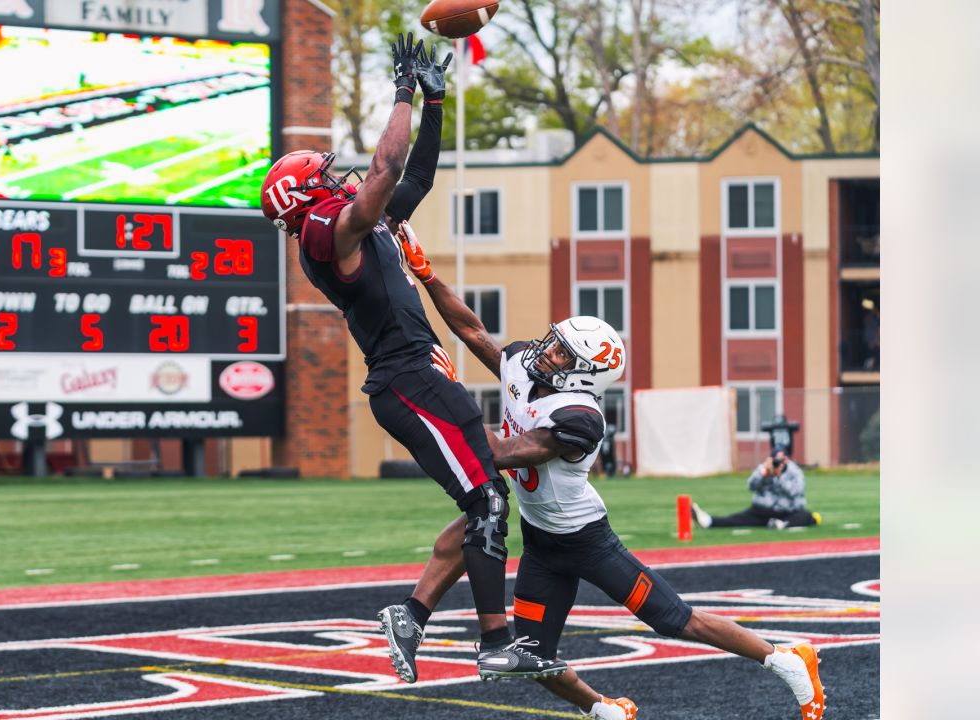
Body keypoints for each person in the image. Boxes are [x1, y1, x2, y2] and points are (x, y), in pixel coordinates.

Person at [383, 222, 826, 720]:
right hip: (543, 542)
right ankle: (605, 710)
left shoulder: (580, 418)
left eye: (559, 354)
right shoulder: (530, 373)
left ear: (584, 373)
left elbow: (500, 453)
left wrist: (444, 391)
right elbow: (472, 330)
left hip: (586, 541)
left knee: (673, 619)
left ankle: (785, 658)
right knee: (528, 657)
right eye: (553, 342)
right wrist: (425, 272)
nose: (544, 352)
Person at [259, 33, 542, 679]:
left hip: (418, 377)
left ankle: (412, 616)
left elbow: (413, 176)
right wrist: (403, 92)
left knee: (481, 502)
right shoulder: (326, 234)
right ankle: (494, 641)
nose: (341, 179)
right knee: (488, 503)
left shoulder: (362, 223)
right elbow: (385, 171)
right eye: (325, 178)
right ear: (306, 199)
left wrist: (436, 100)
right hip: (408, 380)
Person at [691, 446, 821, 530]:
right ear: (770, 459)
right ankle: (708, 521)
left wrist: (778, 477)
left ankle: (782, 525)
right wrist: (763, 475)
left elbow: (794, 492)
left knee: (807, 516)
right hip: (762, 511)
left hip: (787, 512)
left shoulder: (795, 472)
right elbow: (751, 486)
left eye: (782, 460)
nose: (779, 463)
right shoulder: (764, 468)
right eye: (776, 460)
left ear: (787, 459)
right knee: (736, 519)